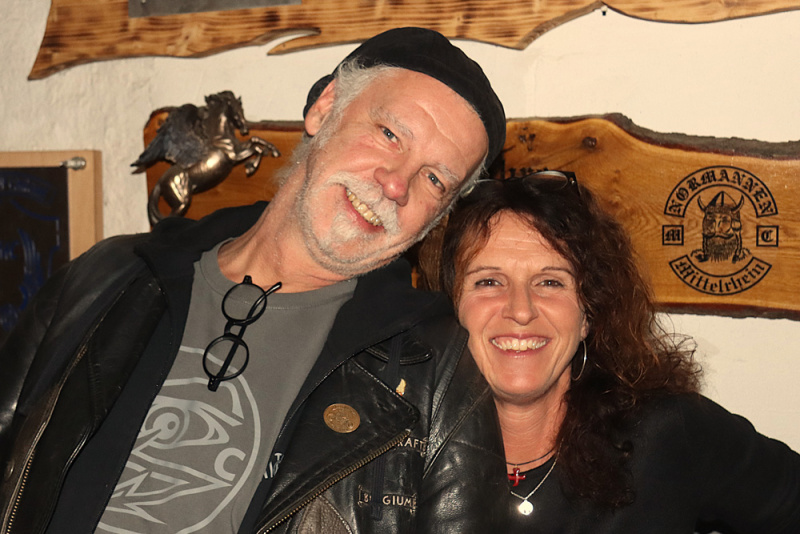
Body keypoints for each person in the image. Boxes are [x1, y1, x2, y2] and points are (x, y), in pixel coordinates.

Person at [0, 28, 509, 533]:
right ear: (325, 108)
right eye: (390, 134)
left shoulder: (437, 376)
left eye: (435, 179)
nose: (396, 184)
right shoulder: (109, 273)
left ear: (438, 216)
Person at [424, 173, 800, 533]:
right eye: (489, 281)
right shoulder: (401, 453)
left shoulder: (664, 433)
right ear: (450, 308)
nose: (521, 310)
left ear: (588, 314)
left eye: (550, 282)